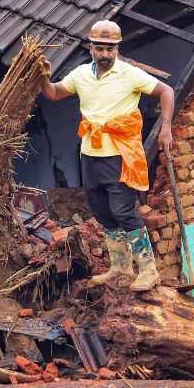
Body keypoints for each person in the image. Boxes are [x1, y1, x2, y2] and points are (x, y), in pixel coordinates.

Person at [40, 20, 176, 291]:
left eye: (110, 49)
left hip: (120, 155)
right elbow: (55, 93)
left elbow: (166, 91)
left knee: (124, 211)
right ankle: (121, 267)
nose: (104, 54)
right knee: (102, 211)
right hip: (90, 154)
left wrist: (166, 128)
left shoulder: (130, 74)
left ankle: (148, 271)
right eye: (99, 48)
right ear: (91, 47)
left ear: (117, 48)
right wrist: (42, 77)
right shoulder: (80, 75)